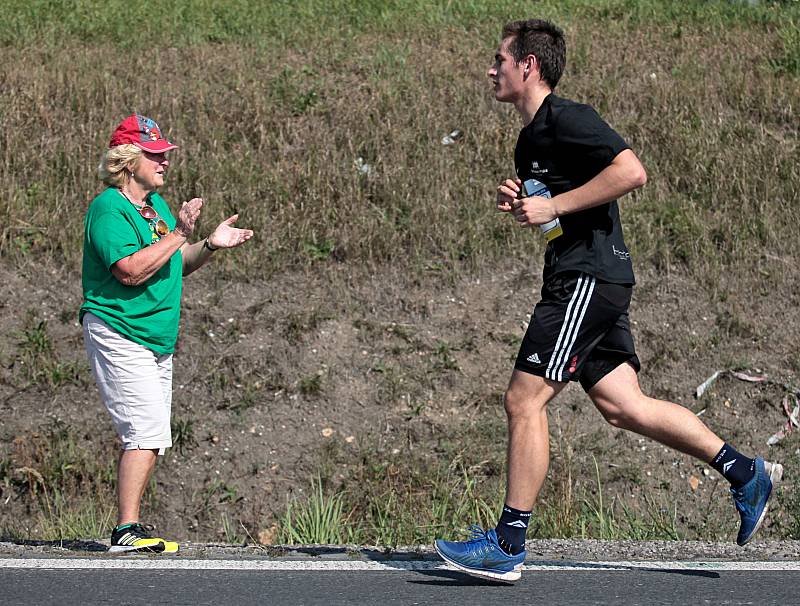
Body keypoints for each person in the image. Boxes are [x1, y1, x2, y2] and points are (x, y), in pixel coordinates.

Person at [434, 19, 782, 582]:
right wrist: (530, 204)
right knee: (625, 406)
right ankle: (746, 473)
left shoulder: (570, 117)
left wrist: (554, 207)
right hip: (584, 275)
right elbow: (558, 215)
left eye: (499, 58)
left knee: (524, 401)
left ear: (529, 66)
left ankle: (508, 543)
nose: (490, 68)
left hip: (586, 281)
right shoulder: (530, 140)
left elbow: (631, 171)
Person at [80, 114, 253, 553]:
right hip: (120, 330)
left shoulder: (154, 208)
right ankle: (125, 529)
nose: (164, 163)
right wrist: (178, 232)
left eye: (164, 155)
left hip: (155, 337)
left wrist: (210, 244)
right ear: (128, 159)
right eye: (154, 155)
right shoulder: (109, 208)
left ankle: (130, 526)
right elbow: (131, 271)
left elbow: (174, 261)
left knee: (154, 435)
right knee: (145, 429)